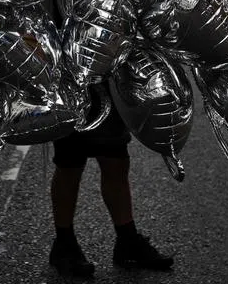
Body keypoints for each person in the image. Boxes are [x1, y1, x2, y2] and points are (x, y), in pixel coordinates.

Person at [48, 102, 174, 278]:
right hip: (70, 83)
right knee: (69, 162)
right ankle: (64, 244)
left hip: (107, 82)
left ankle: (127, 241)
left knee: (115, 159)